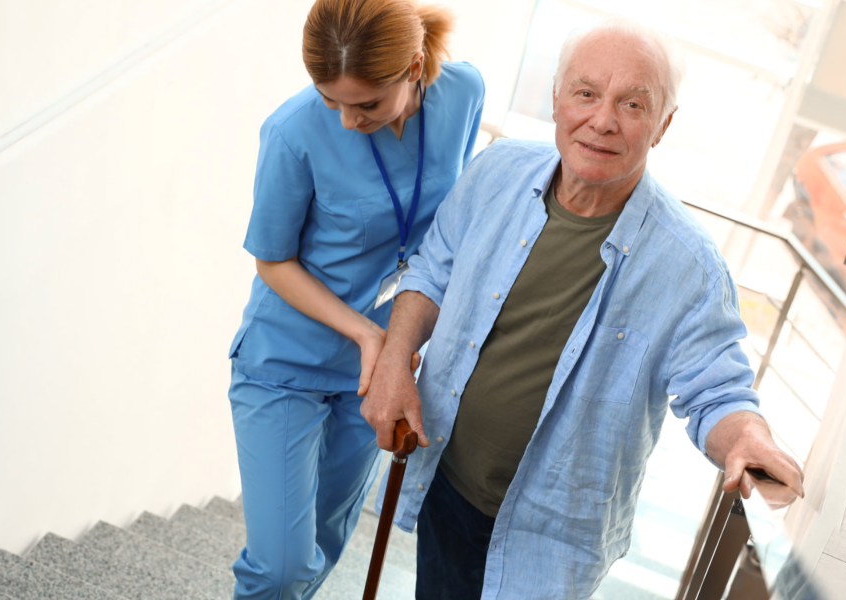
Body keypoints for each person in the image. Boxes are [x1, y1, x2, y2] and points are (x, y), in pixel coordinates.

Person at [359, 19, 804, 598]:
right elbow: (432, 272)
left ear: (663, 125)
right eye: (586, 93)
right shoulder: (496, 172)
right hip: (448, 479)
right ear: (556, 98)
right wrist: (395, 361)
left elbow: (716, 388)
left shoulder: (688, 266)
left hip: (550, 536)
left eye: (633, 104)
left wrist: (747, 438)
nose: (602, 120)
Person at [225, 0, 484, 597]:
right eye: (330, 100)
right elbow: (273, 260)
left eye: (366, 103)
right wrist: (370, 333)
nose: (346, 120)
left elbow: (448, 226)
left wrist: (401, 341)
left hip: (374, 376)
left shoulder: (463, 92)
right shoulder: (292, 131)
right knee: (281, 566)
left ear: (416, 67)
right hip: (285, 361)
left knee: (323, 549)